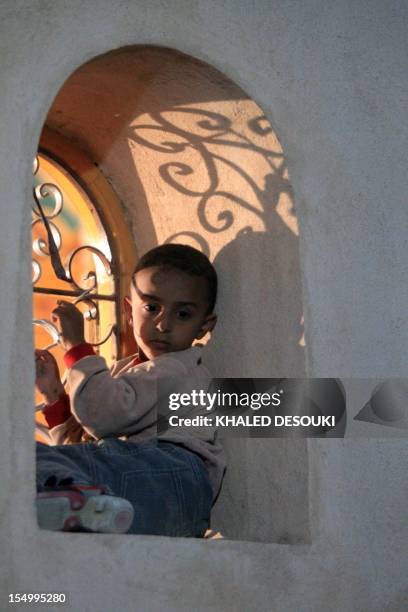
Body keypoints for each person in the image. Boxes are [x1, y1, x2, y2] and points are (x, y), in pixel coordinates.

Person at [35, 244, 226, 536]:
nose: (163, 324)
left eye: (183, 314)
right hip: (149, 503)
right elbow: (81, 443)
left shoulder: (178, 369)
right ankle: (74, 509)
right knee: (63, 467)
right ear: (128, 310)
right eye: (151, 308)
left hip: (169, 477)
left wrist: (77, 349)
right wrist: (54, 397)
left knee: (25, 458)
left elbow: (101, 415)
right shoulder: (126, 373)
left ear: (204, 326)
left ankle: (63, 500)